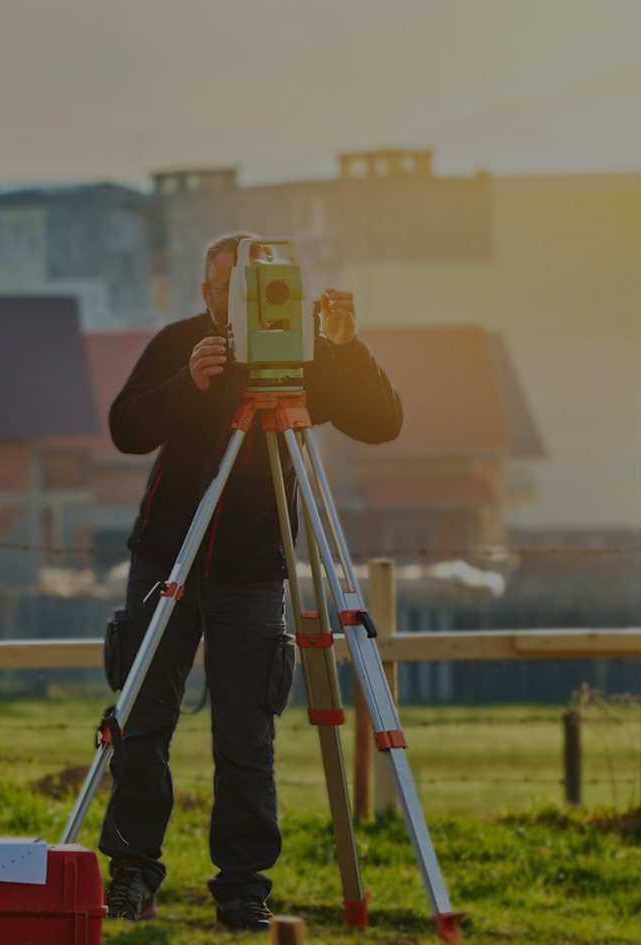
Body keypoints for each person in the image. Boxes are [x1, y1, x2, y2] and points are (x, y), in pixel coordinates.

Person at [100, 232, 403, 933]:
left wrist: (345, 346)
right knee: (142, 723)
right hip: (163, 562)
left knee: (246, 736)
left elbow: (383, 421)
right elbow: (124, 428)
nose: (244, 301)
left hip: (254, 571)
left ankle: (242, 887)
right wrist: (190, 383)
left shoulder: (300, 351)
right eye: (229, 288)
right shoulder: (182, 342)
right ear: (208, 295)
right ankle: (131, 873)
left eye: (259, 286)